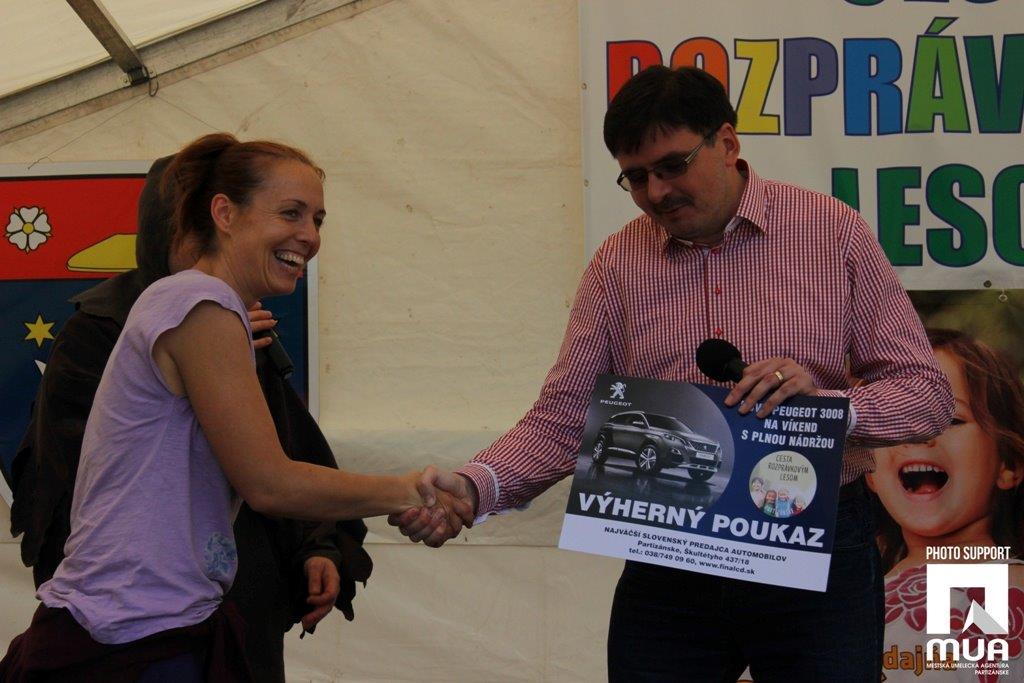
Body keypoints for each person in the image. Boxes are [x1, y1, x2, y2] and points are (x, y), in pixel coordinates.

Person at [392, 65, 953, 680]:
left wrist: (824, 411)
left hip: (815, 542)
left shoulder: (831, 232)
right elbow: (564, 418)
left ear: (728, 143)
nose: (656, 192)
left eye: (672, 166)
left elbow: (926, 396)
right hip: (670, 550)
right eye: (636, 177)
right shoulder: (617, 262)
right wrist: (475, 488)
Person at [1, 134, 470, 682]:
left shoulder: (194, 304)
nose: (310, 235)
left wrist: (321, 544)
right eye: (291, 213)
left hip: (157, 622)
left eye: (318, 219)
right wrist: (412, 490)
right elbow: (269, 482)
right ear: (223, 213)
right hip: (131, 635)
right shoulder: (199, 305)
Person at [868, 328, 1024, 681]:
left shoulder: (1001, 588)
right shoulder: (845, 599)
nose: (919, 433)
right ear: (869, 472)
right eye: (895, 419)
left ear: (1009, 465)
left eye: (950, 419)